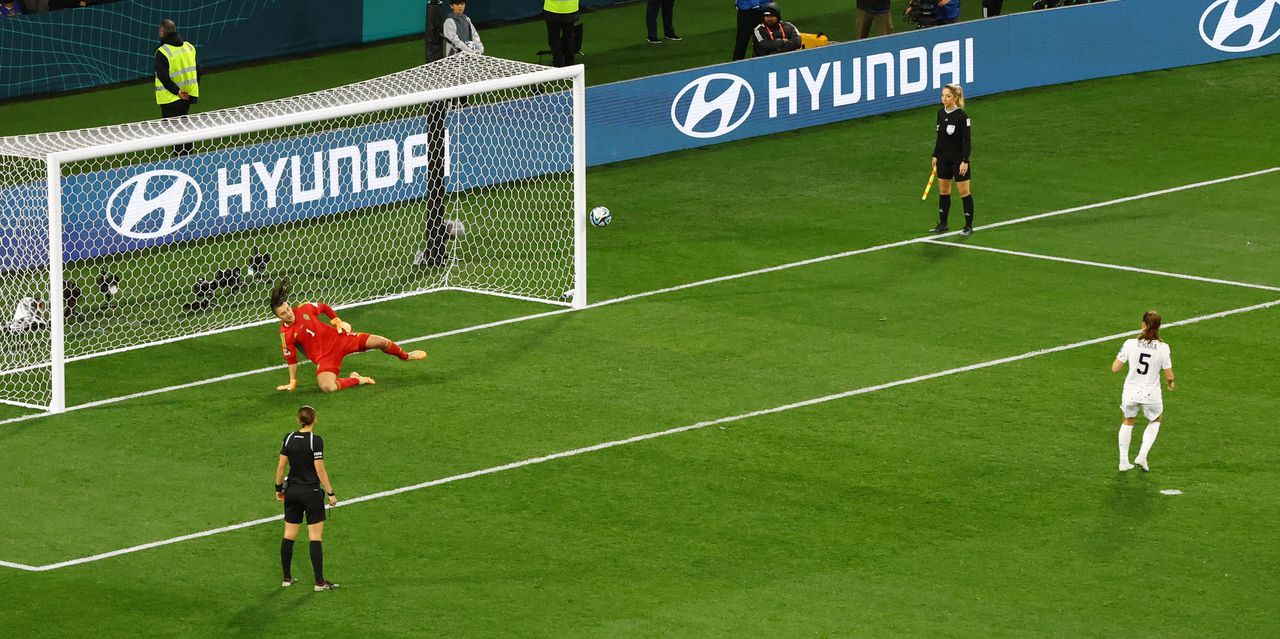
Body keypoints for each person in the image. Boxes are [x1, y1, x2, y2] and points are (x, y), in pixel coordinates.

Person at [270, 279, 427, 393]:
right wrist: (292, 381)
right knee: (327, 387)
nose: (288, 313)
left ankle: (405, 356)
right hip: (326, 357)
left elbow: (324, 307)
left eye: (288, 309)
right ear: (278, 317)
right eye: (283, 313)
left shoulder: (304, 309)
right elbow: (291, 359)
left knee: (381, 341)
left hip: (341, 339)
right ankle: (357, 379)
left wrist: (337, 321)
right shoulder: (286, 335)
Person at [275, 405, 340, 591]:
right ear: (315, 420)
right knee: (315, 537)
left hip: (293, 491)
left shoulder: (288, 438)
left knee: (288, 534)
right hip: (311, 493)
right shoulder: (315, 441)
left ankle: (286, 578)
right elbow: (319, 469)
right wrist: (331, 493)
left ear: (299, 420)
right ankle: (319, 582)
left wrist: (278, 488)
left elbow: (281, 467)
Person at [1112, 311, 1175, 472]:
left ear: (1143, 325)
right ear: (1159, 327)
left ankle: (1123, 461)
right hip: (1151, 393)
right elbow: (1169, 374)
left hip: (1131, 391)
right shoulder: (1163, 347)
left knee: (1127, 420)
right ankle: (1142, 455)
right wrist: (1170, 383)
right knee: (1155, 420)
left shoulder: (1129, 343)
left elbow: (1115, 368)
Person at [927, 84, 975, 236]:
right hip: (943, 158)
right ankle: (943, 224)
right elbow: (939, 137)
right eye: (943, 96)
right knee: (943, 191)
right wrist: (935, 155)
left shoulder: (962, 116)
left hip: (958, 159)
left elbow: (966, 141)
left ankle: (968, 226)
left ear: (955, 97)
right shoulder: (940, 113)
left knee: (964, 192)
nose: (944, 99)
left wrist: (965, 161)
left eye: (948, 96)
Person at [154, 19, 198, 156]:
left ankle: (181, 162)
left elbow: (163, 77)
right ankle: (190, 158)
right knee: (185, 126)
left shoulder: (162, 52)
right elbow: (198, 70)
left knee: (174, 132)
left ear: (162, 31)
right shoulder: (189, 47)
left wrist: (177, 92)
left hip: (170, 98)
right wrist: (188, 89)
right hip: (188, 96)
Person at [543, 0, 579, 68]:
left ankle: (558, 63)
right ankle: (569, 62)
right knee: (569, 36)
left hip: (552, 10)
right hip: (571, 9)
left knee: (554, 38)